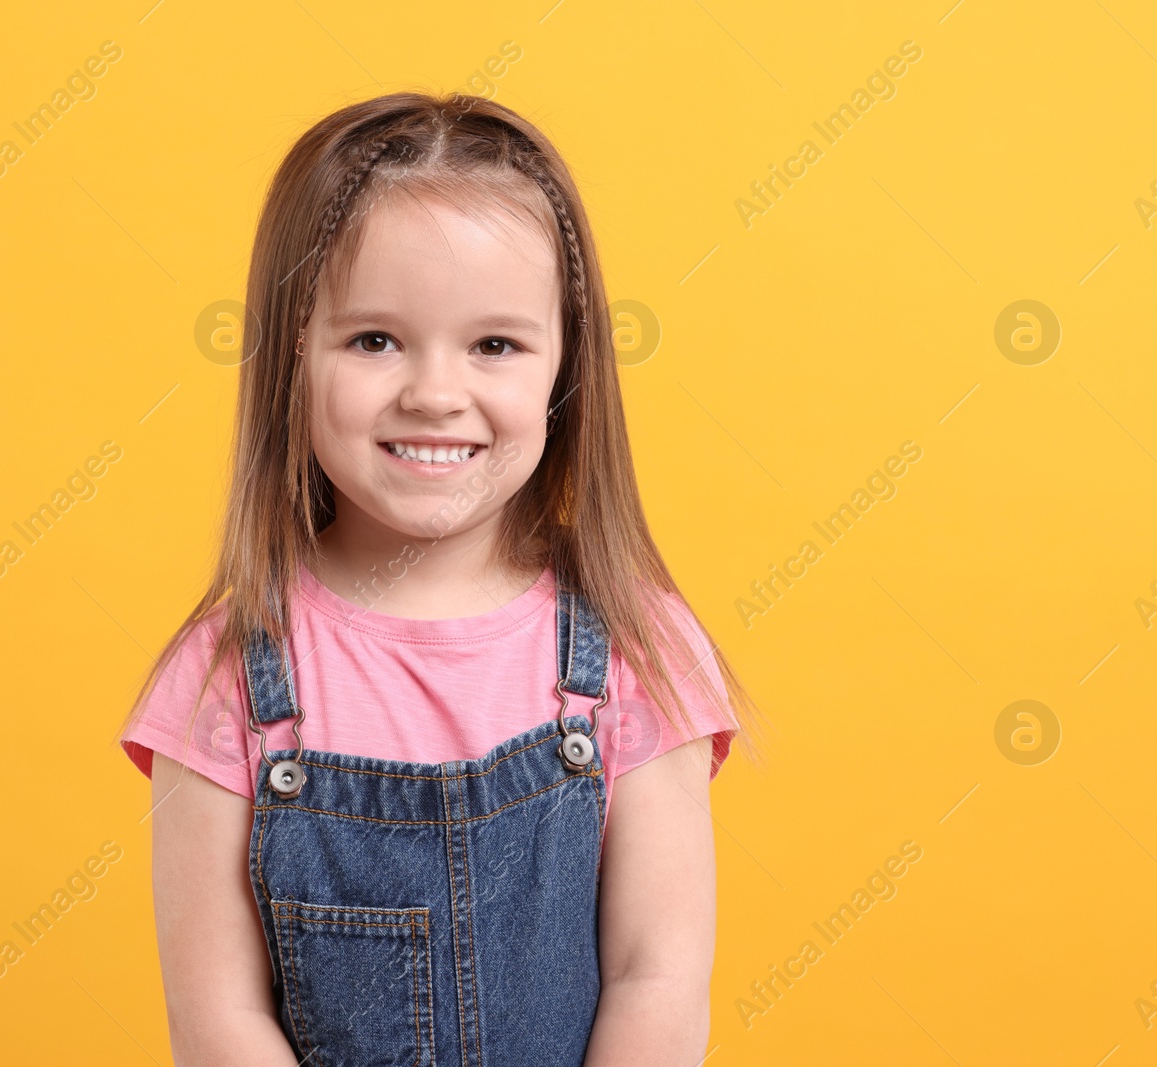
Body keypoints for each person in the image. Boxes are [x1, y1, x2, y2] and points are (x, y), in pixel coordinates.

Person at [114, 89, 761, 1066]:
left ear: (564, 365)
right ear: (294, 352)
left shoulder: (633, 647)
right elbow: (217, 1020)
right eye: (374, 339)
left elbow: (656, 976)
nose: (434, 391)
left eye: (494, 344)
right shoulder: (225, 678)